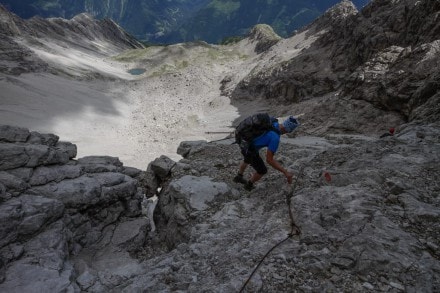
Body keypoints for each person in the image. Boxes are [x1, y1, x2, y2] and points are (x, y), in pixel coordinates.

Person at [233, 115, 300, 191]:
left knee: (247, 158)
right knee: (262, 170)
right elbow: (269, 160)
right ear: (288, 130)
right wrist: (285, 172)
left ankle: (239, 176)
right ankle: (249, 185)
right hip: (249, 146)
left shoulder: (273, 122)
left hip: (243, 140)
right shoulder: (275, 138)